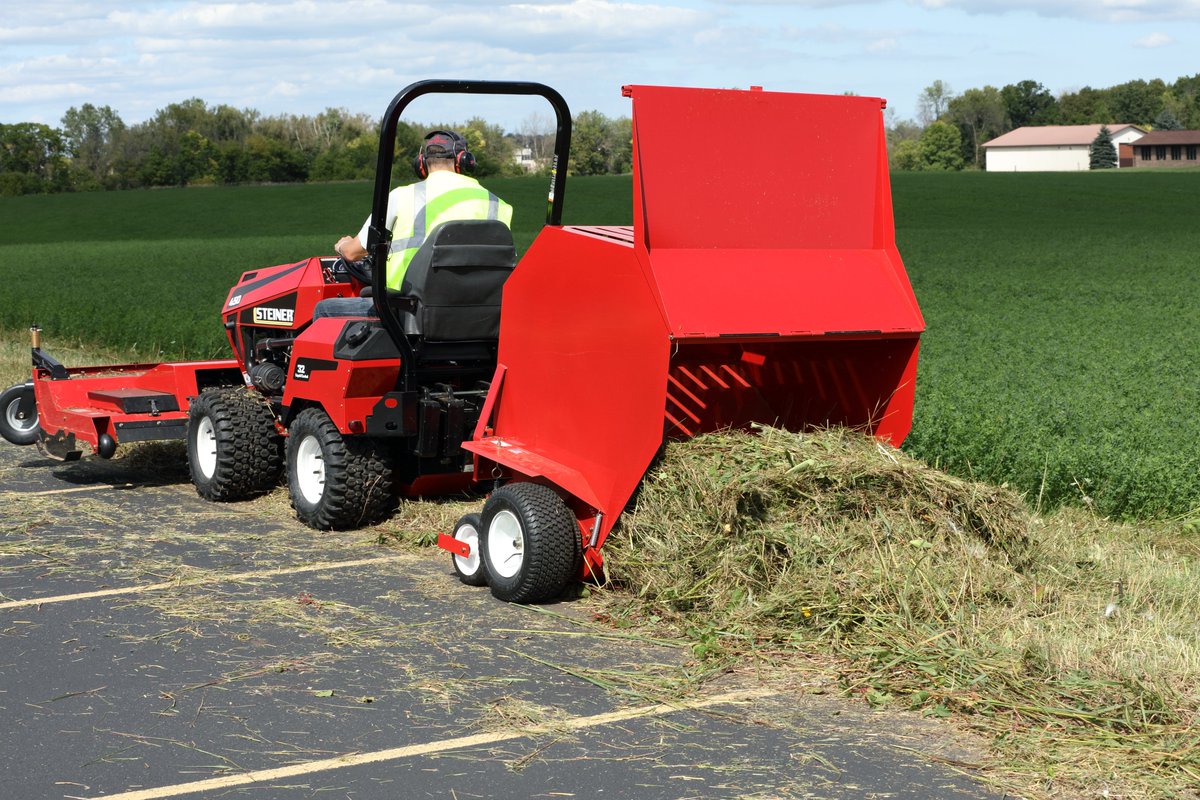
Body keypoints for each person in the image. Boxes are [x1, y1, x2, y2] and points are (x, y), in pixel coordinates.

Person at [315, 129, 513, 318]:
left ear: (422, 163)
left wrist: (342, 245)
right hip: (480, 314)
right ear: (464, 161)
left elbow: (352, 253)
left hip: (409, 313)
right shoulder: (498, 205)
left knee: (323, 309)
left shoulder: (403, 196)